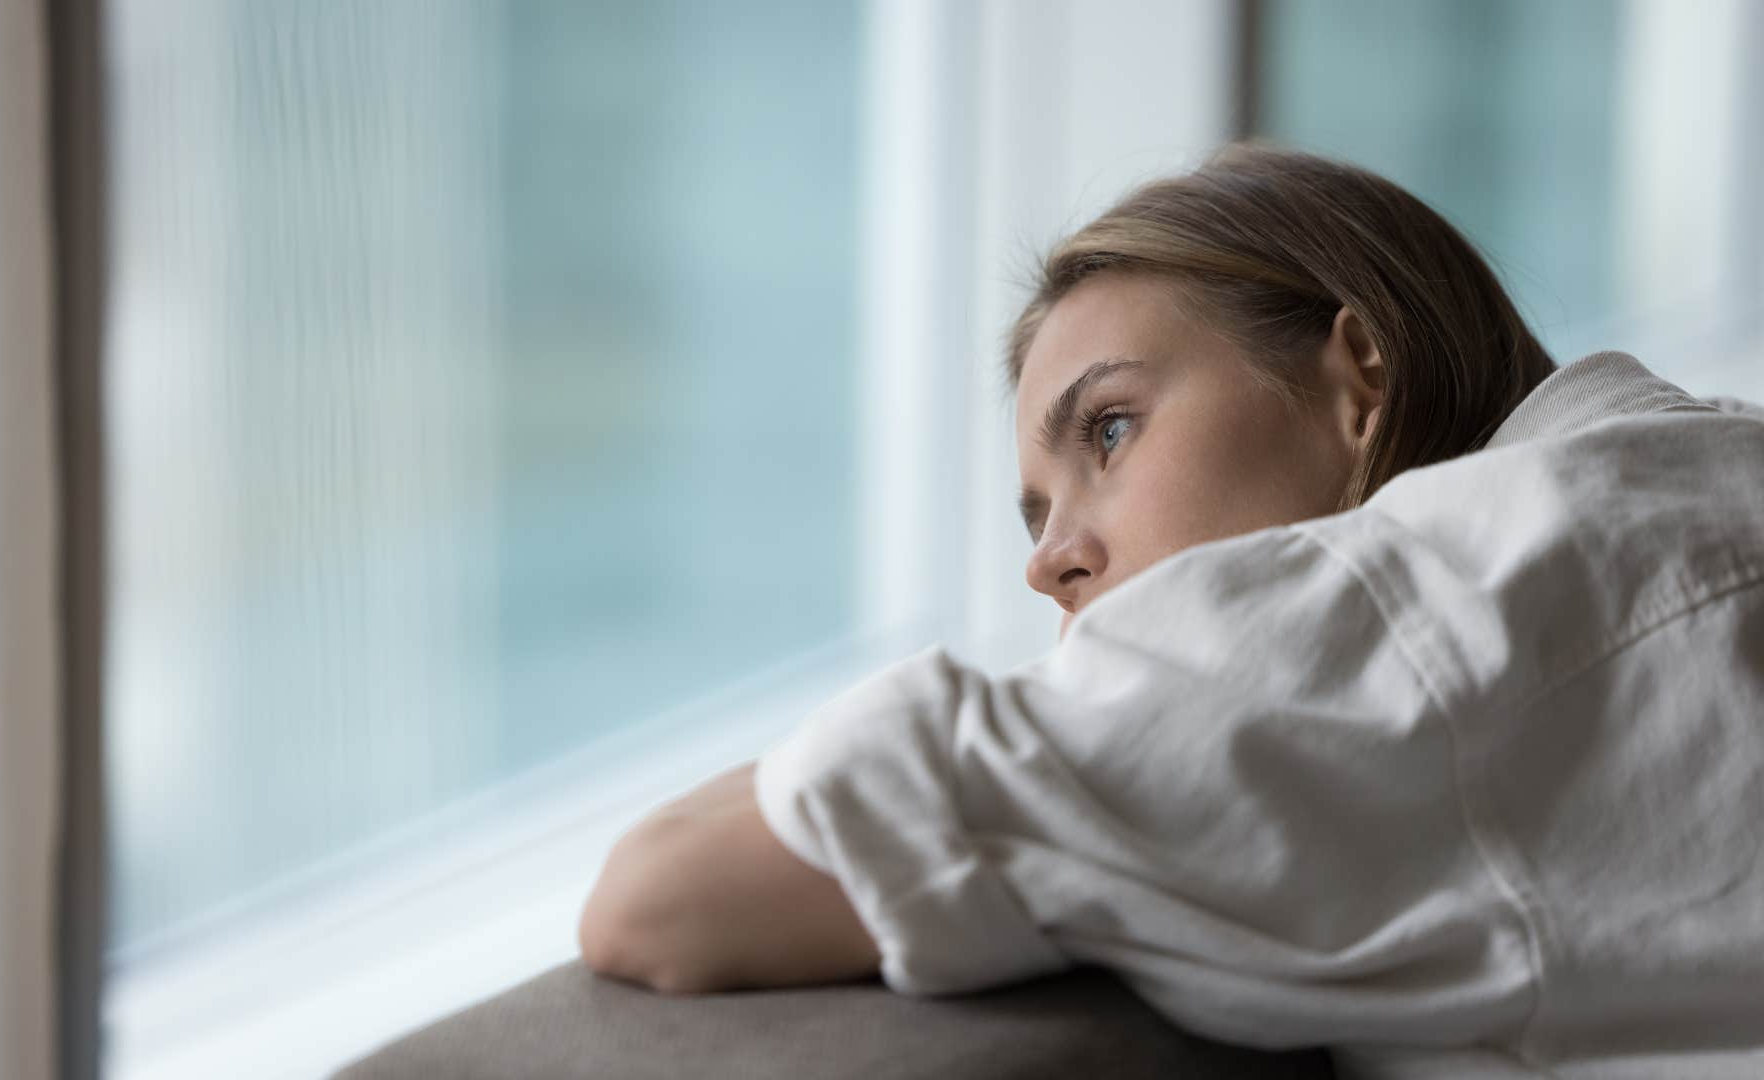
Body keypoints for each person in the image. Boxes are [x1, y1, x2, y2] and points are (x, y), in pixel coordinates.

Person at [579, 144, 1764, 1079]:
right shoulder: (1681, 476)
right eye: (1032, 518)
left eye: (1111, 429)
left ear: (1359, 379)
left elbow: (661, 894)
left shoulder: (1425, 616)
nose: (1047, 565)